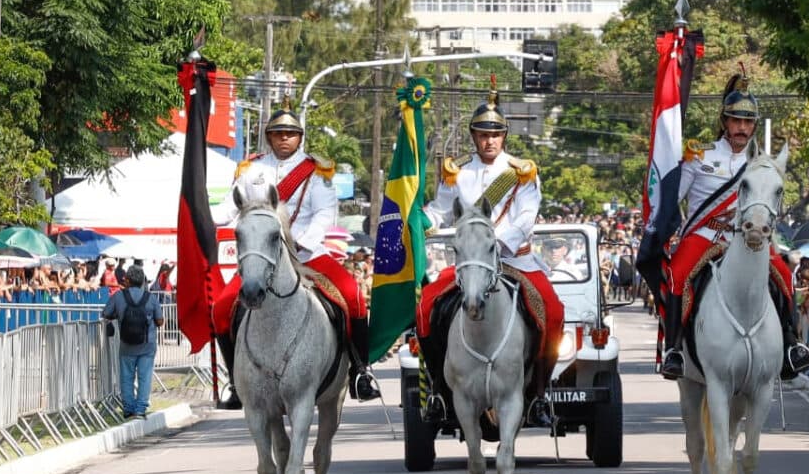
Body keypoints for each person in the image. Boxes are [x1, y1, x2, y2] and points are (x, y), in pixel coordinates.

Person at [211, 98, 380, 404]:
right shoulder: (252, 169)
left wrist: (298, 241)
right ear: (269, 137)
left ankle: (360, 371)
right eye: (278, 133)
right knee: (221, 308)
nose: (284, 138)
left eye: (290, 133)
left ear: (300, 137)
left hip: (307, 254)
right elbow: (229, 207)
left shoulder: (317, 172)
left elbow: (325, 214)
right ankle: (237, 382)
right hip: (263, 256)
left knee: (353, 296)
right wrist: (202, 216)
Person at [415, 80, 565, 415]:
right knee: (426, 307)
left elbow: (526, 217)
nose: (489, 140)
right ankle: (439, 391)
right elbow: (439, 210)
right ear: (473, 136)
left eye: (495, 134)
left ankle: (539, 392)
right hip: (471, 262)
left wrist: (496, 244)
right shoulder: (457, 172)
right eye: (483, 134)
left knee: (553, 312)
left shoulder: (521, 173)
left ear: (504, 136)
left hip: (514, 259)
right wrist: (418, 222)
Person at [657, 73, 809, 381]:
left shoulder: (761, 163)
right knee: (677, 276)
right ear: (725, 122)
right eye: (736, 121)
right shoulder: (700, 155)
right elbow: (673, 198)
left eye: (748, 122)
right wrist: (667, 227)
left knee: (784, 276)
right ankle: (674, 349)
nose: (742, 128)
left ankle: (791, 346)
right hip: (705, 234)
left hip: (747, 236)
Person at [102, 265, 164, 419]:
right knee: (145, 376)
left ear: (127, 280)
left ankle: (128, 408)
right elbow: (160, 320)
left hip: (126, 345)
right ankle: (140, 409)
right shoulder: (151, 298)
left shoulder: (118, 296)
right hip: (147, 345)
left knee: (126, 377)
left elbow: (106, 313)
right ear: (143, 281)